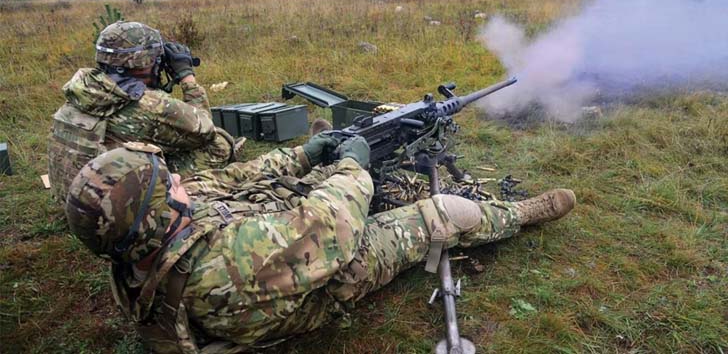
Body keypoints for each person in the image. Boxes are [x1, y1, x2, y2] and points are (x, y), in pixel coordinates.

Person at [65, 134, 576, 353]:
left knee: (289, 185)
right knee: (440, 214)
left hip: (282, 247)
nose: (179, 182)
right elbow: (332, 224)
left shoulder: (147, 234)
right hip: (324, 275)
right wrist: (352, 164)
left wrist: (306, 154)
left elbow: (231, 178)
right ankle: (520, 215)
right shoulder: (223, 268)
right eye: (166, 182)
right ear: (156, 213)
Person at [48, 21, 236, 202]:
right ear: (145, 61)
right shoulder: (149, 105)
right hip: (110, 215)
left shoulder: (84, 89)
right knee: (219, 144)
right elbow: (205, 129)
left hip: (75, 202)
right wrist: (187, 77)